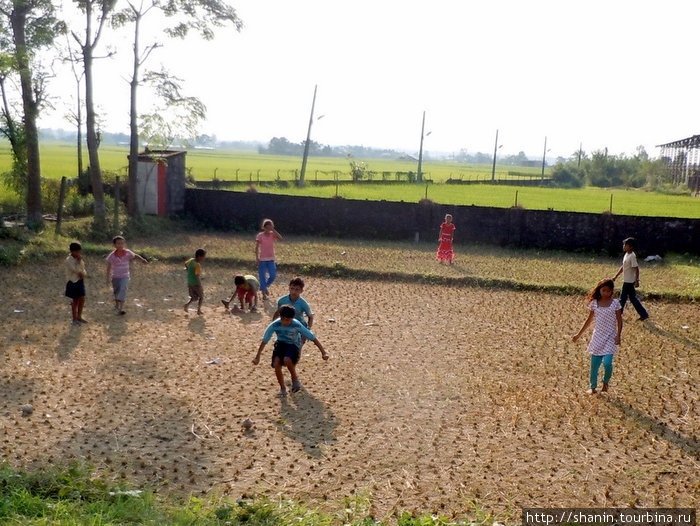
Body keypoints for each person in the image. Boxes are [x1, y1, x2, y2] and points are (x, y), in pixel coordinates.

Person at [252, 305, 329, 396]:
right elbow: (265, 340)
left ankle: (294, 378)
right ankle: (282, 389)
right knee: (276, 364)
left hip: (293, 345)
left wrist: (323, 352)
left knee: (287, 359)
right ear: (281, 317)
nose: (287, 322)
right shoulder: (275, 325)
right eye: (285, 320)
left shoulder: (296, 324)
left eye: (289, 320)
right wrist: (258, 356)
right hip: (280, 344)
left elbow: (312, 337)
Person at [572, 279, 623, 394]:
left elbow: (620, 320)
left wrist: (618, 335)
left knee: (607, 363)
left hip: (610, 337)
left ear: (611, 292)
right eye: (603, 290)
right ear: (599, 290)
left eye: (608, 291)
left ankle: (605, 382)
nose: (605, 293)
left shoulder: (615, 303)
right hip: (598, 337)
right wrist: (578, 335)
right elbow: (588, 321)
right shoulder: (594, 304)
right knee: (594, 365)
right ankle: (593, 387)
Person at [105, 235, 149, 315]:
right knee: (116, 292)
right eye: (118, 243)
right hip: (115, 277)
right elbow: (109, 268)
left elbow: (135, 256)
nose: (120, 245)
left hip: (125, 276)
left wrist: (143, 260)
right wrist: (108, 279)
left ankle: (121, 309)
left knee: (123, 289)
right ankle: (117, 305)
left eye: (122, 243)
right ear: (114, 245)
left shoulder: (128, 252)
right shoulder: (112, 256)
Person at [612, 237, 649, 321]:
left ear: (630, 247)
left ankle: (618, 314)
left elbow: (636, 268)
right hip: (626, 280)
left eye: (625, 245)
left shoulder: (632, 256)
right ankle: (644, 314)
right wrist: (616, 276)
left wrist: (637, 280)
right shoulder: (626, 255)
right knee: (633, 298)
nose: (624, 246)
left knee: (622, 298)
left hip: (629, 281)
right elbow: (623, 267)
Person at [273, 277, 313, 346]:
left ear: (301, 291)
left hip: (299, 327)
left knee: (297, 349)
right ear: (289, 288)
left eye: (297, 289)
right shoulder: (282, 301)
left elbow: (310, 316)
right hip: (285, 326)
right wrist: (274, 326)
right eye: (292, 288)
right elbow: (277, 313)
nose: (294, 292)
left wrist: (307, 331)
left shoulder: (303, 303)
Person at [255, 218, 282, 299]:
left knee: (273, 275)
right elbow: (256, 248)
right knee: (262, 276)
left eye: (270, 227)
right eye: (267, 227)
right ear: (264, 227)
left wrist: (273, 230)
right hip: (262, 259)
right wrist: (257, 258)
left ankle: (265, 286)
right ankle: (263, 294)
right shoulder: (260, 235)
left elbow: (280, 238)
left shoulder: (272, 234)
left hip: (271, 259)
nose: (268, 229)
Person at [65, 241, 87, 326]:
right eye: (77, 251)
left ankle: (79, 317)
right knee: (75, 300)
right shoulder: (68, 260)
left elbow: (83, 268)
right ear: (72, 251)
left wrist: (83, 274)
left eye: (79, 251)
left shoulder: (79, 259)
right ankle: (74, 319)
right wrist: (78, 263)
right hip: (72, 281)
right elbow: (75, 269)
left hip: (80, 280)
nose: (78, 253)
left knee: (82, 298)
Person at [184, 248, 206, 315]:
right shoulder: (197, 265)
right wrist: (200, 285)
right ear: (199, 256)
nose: (203, 258)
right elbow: (197, 276)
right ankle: (198, 310)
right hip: (196, 284)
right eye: (203, 257)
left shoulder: (191, 260)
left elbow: (185, 264)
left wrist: (188, 270)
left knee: (194, 297)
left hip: (190, 283)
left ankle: (187, 305)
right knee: (201, 297)